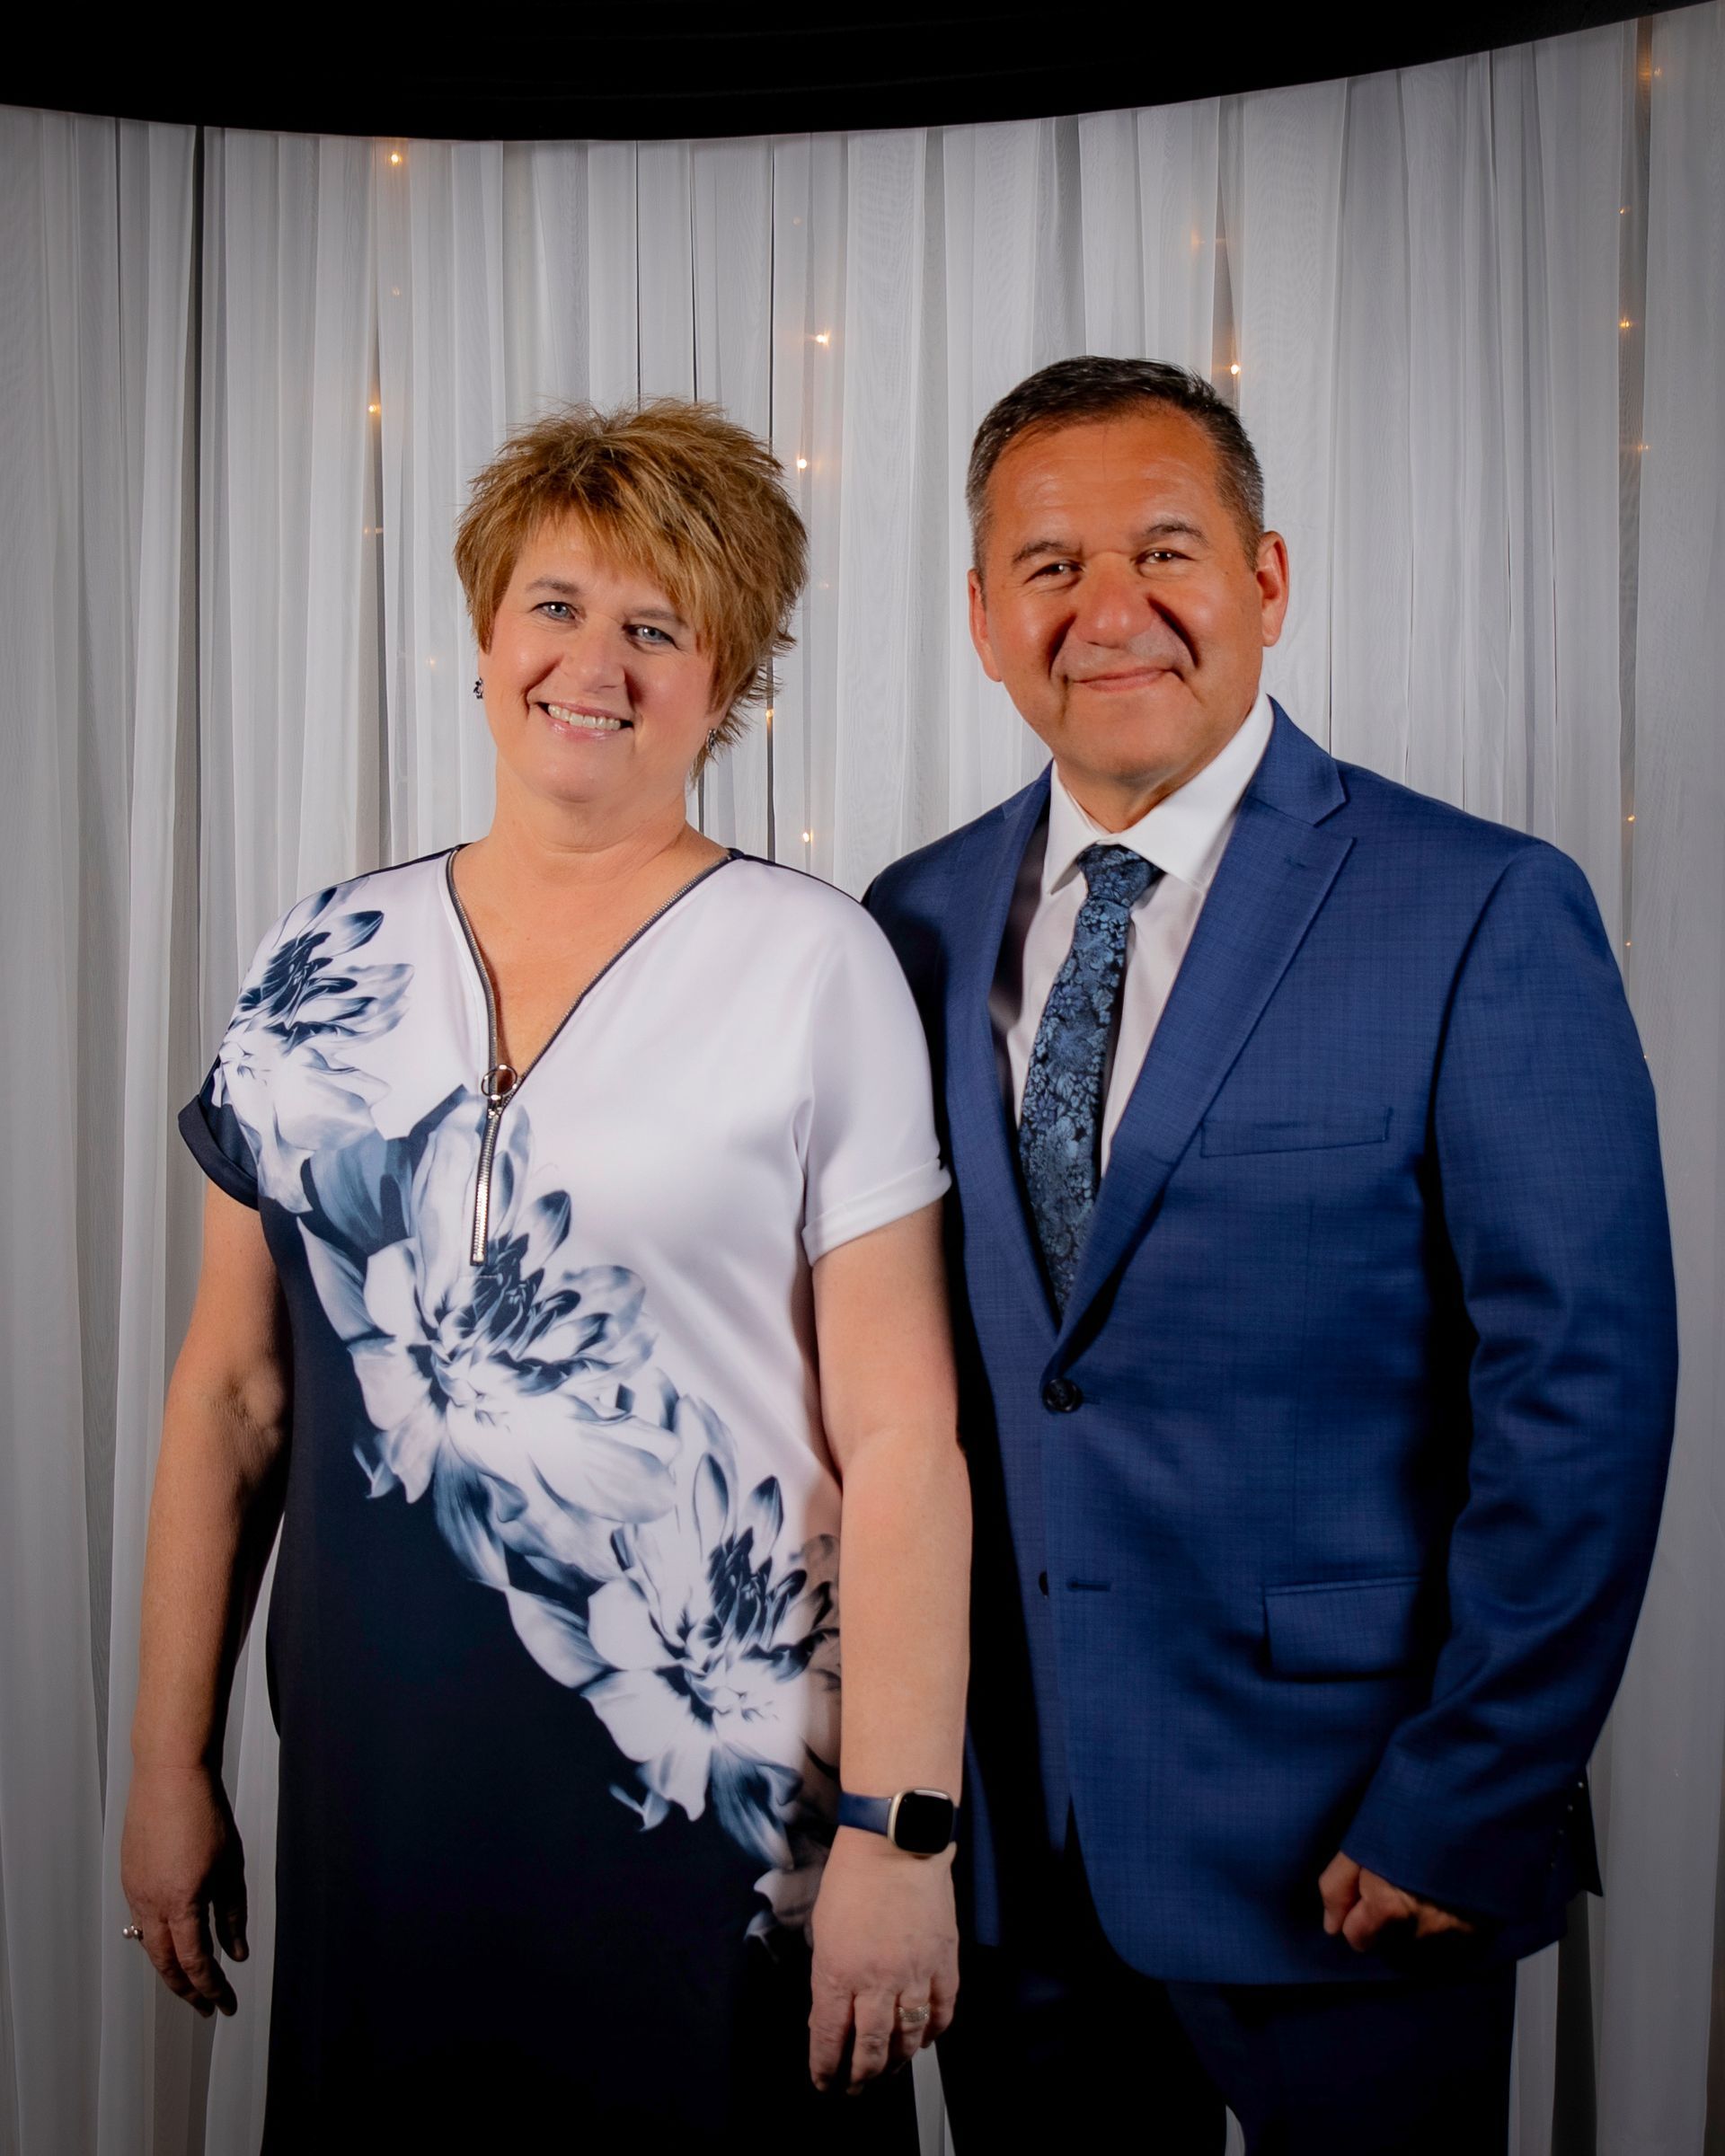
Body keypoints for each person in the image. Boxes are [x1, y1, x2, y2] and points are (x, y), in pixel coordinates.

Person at [120, 399, 970, 2149]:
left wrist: (903, 1834)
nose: (598, 662)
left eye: (659, 626)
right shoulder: (319, 956)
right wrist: (165, 1763)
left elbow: (903, 1440)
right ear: (486, 632)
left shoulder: (819, 965)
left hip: (719, 1811)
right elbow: (232, 1394)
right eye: (558, 606)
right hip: (388, 1803)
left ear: (727, 679)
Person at [865, 356, 1677, 2153]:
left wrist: (1468, 1797)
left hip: (1357, 1850)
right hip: (1013, 1862)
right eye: (1050, 567)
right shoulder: (902, 926)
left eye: (1167, 549)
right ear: (985, 619)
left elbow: (1583, 1403)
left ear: (1268, 582)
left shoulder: (1478, 904)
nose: (1112, 611)